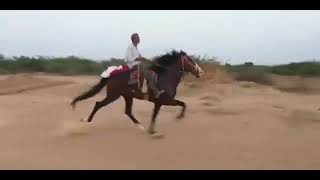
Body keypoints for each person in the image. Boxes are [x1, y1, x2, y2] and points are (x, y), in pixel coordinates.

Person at [125, 33, 164, 99]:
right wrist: (139, 59)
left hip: (138, 64)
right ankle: (155, 91)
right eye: (137, 37)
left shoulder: (135, 47)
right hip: (132, 65)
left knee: (151, 67)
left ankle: (152, 88)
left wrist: (147, 60)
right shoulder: (130, 47)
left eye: (138, 37)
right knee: (148, 73)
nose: (139, 39)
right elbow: (128, 58)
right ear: (133, 39)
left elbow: (140, 56)